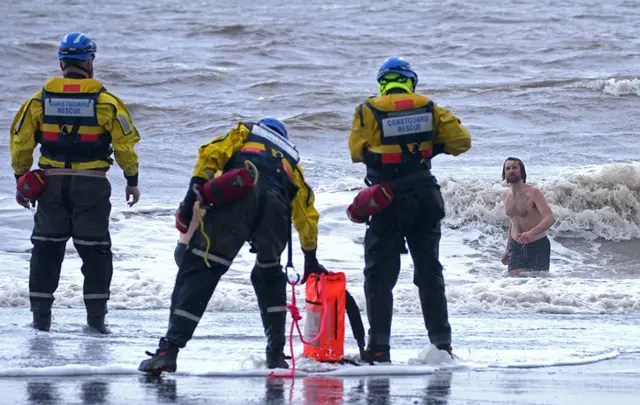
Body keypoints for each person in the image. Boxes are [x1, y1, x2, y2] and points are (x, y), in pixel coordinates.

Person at [138, 117, 327, 374]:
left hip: (240, 197)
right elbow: (306, 213)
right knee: (269, 276)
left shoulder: (245, 132)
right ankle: (276, 356)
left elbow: (211, 156)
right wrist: (310, 256)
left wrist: (187, 202)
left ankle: (168, 351)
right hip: (276, 211)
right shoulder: (289, 162)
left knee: (201, 270)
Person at [9, 32, 141, 334]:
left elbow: (20, 143)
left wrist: (21, 180)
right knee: (95, 253)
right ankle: (96, 324)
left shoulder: (37, 102)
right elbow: (125, 146)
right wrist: (132, 180)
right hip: (92, 185)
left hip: (49, 187)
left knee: (45, 251)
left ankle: (40, 323)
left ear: (61, 63)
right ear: (90, 61)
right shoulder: (107, 103)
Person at [347, 56, 471, 363]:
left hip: (387, 201)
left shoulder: (369, 109)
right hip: (426, 199)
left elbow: (355, 152)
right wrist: (432, 147)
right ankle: (442, 346)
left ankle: (378, 349)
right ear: (410, 81)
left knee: (379, 277)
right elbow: (462, 142)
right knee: (429, 274)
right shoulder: (429, 107)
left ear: (382, 83)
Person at [501, 157, 555, 276]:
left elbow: (550, 218)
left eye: (515, 167)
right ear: (504, 173)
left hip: (537, 245)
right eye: (508, 168)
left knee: (537, 286)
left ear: (522, 172)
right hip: (516, 246)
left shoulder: (533, 192)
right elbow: (512, 222)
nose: (511, 170)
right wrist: (507, 249)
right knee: (513, 284)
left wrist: (531, 233)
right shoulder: (506, 195)